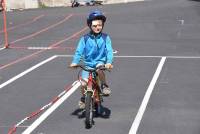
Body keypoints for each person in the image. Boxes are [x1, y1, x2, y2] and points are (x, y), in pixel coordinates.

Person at [69, 10, 114, 109]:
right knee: (83, 83)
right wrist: (75, 62)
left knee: (99, 69)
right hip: (88, 65)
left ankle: (104, 85)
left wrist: (109, 62)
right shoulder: (84, 39)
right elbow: (79, 52)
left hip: (100, 62)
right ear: (90, 25)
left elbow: (109, 51)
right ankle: (84, 97)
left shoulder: (105, 38)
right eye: (95, 25)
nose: (98, 27)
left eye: (100, 25)